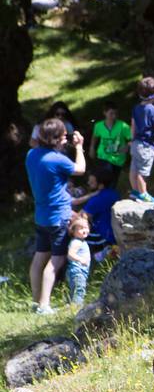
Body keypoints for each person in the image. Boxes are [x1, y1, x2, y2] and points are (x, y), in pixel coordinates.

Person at [26, 118, 85, 314]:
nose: (65, 139)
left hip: (41, 216)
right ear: (54, 139)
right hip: (58, 216)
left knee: (39, 257)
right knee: (56, 260)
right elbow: (80, 169)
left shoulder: (31, 155)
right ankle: (44, 305)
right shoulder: (57, 159)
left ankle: (36, 302)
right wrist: (79, 147)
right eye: (63, 136)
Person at [129, 77, 154, 202]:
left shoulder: (136, 108)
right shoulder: (153, 109)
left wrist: (132, 140)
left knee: (134, 168)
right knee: (142, 171)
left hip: (136, 143)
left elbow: (133, 125)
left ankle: (135, 191)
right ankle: (143, 194)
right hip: (146, 145)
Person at [89, 102, 131, 173]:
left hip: (118, 158)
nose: (114, 116)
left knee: (114, 180)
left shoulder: (123, 126)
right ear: (105, 113)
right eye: (111, 113)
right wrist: (92, 148)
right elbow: (95, 137)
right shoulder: (98, 126)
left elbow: (133, 138)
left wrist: (127, 146)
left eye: (116, 113)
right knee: (106, 176)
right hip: (103, 156)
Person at [65, 212, 92, 307]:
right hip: (77, 271)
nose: (85, 230)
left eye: (86, 228)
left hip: (81, 271)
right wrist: (81, 260)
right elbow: (70, 254)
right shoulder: (76, 242)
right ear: (73, 231)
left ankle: (71, 305)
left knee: (76, 289)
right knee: (79, 289)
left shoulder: (82, 241)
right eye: (81, 229)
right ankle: (76, 306)